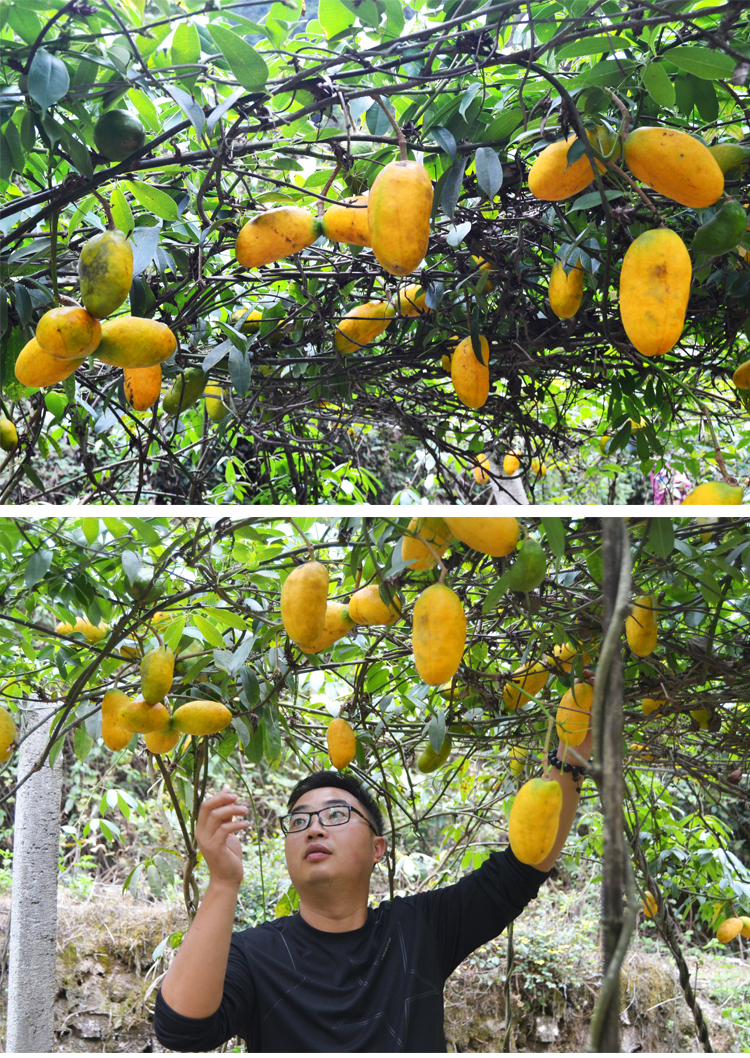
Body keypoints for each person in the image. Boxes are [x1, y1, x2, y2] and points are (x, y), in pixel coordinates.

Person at [154, 728, 592, 1052]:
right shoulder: (255, 955)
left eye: (336, 814)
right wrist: (223, 882)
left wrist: (573, 750)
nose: (314, 828)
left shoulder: (419, 930)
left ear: (377, 847)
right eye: (299, 821)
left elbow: (523, 867)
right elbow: (182, 1030)